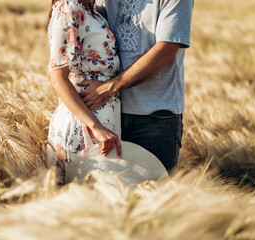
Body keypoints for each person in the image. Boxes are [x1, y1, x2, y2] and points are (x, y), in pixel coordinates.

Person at [77, 0, 194, 171]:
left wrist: (109, 87)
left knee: (155, 192)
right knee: (108, 191)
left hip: (155, 116)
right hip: (107, 113)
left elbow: (167, 50)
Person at [46, 0, 122, 185]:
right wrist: (97, 127)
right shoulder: (69, 8)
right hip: (84, 125)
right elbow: (58, 78)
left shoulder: (91, 11)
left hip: (101, 123)